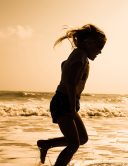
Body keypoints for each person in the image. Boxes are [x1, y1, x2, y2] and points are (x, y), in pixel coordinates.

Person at [36, 24, 106, 165]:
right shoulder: (79, 56)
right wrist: (73, 108)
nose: (100, 52)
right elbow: (70, 83)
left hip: (67, 100)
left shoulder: (79, 55)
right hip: (65, 101)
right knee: (74, 143)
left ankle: (46, 144)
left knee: (82, 139)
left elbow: (64, 68)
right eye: (99, 47)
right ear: (89, 43)